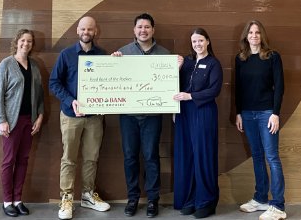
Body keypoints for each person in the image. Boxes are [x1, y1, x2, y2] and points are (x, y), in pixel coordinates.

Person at [49, 16, 110, 220]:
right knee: (69, 158)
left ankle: (87, 195)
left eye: (90, 29)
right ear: (77, 30)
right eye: (83, 29)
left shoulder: (103, 55)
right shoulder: (66, 54)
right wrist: (70, 101)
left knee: (91, 158)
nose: (86, 32)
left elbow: (111, 81)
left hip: (94, 118)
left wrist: (117, 62)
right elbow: (54, 83)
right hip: (70, 116)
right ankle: (66, 197)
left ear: (96, 31)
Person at [112, 13, 170, 218]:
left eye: (147, 27)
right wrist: (112, 65)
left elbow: (171, 86)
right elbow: (112, 81)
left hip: (152, 115)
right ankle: (133, 198)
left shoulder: (165, 55)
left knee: (151, 156)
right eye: (139, 27)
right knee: (130, 157)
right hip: (128, 115)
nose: (143, 30)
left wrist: (177, 66)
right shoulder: (122, 53)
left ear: (153, 30)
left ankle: (153, 199)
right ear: (134, 30)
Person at [235, 20, 286, 220]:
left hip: (267, 113)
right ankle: (260, 199)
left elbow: (280, 87)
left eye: (257, 32)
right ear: (246, 36)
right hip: (247, 114)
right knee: (257, 156)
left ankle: (278, 205)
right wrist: (238, 112)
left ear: (261, 36)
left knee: (272, 157)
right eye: (250, 32)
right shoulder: (241, 59)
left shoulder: (272, 57)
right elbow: (238, 88)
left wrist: (275, 113)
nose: (254, 35)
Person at [0, 29, 44, 217]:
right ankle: (7, 202)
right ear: (17, 42)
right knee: (9, 161)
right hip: (10, 123)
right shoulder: (6, 64)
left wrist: (40, 116)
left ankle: (18, 199)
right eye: (23, 40)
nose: (26, 44)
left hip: (28, 121)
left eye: (29, 41)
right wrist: (2, 120)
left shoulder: (35, 66)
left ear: (32, 44)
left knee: (23, 160)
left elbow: (38, 95)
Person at [173, 28, 223, 218]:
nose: (197, 45)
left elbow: (214, 91)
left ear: (208, 41)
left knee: (203, 155)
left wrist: (190, 96)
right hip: (184, 114)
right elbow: (172, 85)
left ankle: (207, 201)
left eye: (200, 40)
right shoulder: (187, 63)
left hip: (203, 113)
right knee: (187, 156)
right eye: (194, 42)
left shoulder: (213, 64)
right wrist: (176, 69)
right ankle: (191, 199)